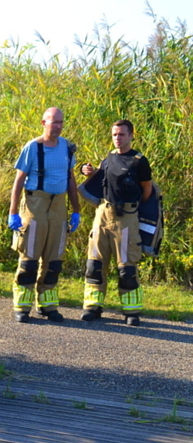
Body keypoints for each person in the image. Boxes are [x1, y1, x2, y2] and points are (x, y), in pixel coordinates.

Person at [7, 107, 81, 323]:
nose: (57, 126)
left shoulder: (67, 147)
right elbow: (19, 180)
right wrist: (13, 213)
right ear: (43, 123)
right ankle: (22, 307)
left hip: (58, 206)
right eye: (53, 122)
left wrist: (76, 210)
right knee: (29, 259)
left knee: (54, 259)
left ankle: (48, 306)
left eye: (60, 122)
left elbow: (70, 178)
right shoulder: (33, 147)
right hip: (35, 205)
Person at [78, 120, 153, 326]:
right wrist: (89, 172)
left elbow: (147, 190)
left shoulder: (139, 161)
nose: (117, 138)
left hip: (127, 216)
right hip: (103, 214)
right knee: (95, 264)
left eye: (121, 134)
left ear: (131, 135)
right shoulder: (109, 158)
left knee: (127, 268)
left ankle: (131, 312)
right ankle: (92, 307)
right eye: (114, 135)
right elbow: (102, 180)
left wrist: (133, 209)